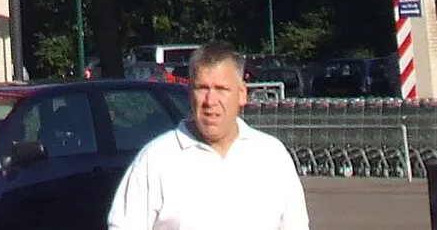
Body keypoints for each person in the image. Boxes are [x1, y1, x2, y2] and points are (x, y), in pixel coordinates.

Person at [107, 44, 308, 230]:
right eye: (202, 88)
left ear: (242, 95)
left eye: (222, 89)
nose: (210, 101)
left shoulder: (271, 156)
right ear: (189, 93)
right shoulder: (156, 160)